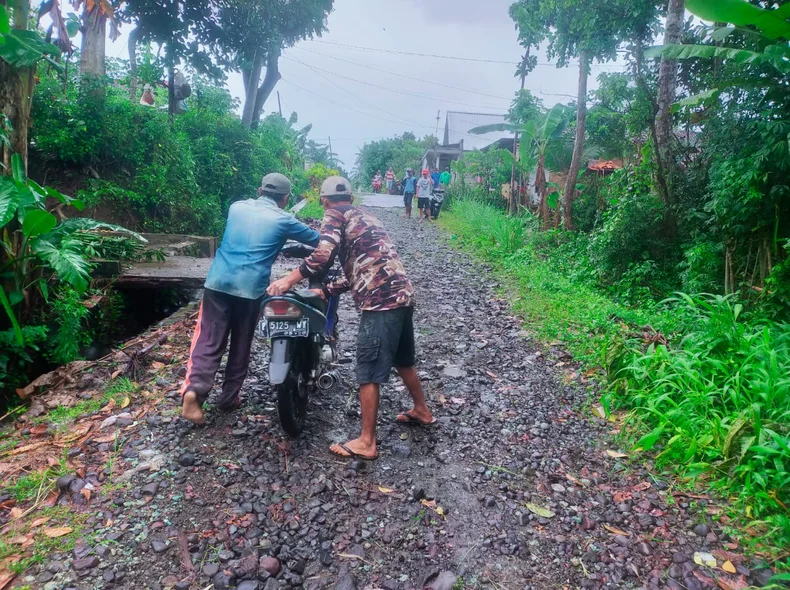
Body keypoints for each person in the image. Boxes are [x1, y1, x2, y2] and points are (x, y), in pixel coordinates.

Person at [267, 176, 435, 460]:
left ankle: (367, 442)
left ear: (324, 200)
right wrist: (326, 290)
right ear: (351, 198)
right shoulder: (367, 217)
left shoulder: (334, 214)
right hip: (401, 293)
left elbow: (322, 257)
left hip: (380, 301)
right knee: (402, 359)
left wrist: (288, 280)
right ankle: (422, 410)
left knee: (367, 368)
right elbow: (365, 266)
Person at [180, 173, 320, 425]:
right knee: (241, 342)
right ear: (286, 198)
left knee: (208, 339)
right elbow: (318, 240)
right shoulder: (285, 219)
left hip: (217, 283)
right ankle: (228, 398)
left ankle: (194, 393)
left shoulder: (236, 207)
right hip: (251, 289)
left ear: (259, 191)